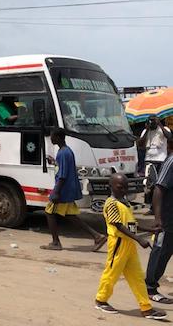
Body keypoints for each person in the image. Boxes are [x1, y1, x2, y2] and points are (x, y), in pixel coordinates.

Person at [94, 174, 167, 320]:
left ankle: (146, 307)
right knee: (112, 273)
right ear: (111, 186)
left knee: (137, 277)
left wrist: (148, 230)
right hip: (119, 244)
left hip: (129, 244)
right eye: (120, 187)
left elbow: (130, 224)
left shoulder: (124, 202)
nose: (123, 190)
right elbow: (118, 225)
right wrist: (139, 239)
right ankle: (101, 300)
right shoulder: (111, 204)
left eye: (126, 187)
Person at [40, 128, 106, 251]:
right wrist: (54, 162)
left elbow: (63, 175)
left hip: (63, 191)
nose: (51, 138)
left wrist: (56, 192)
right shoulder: (66, 151)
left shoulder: (63, 153)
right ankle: (97, 236)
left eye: (53, 136)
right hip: (68, 189)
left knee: (49, 213)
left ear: (59, 138)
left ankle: (55, 242)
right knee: (71, 216)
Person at [145, 137, 173, 303]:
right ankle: (150, 287)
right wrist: (157, 218)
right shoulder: (171, 162)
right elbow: (159, 188)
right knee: (161, 250)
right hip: (167, 218)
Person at [139, 116, 172, 207]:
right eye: (150, 121)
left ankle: (161, 205)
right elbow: (140, 144)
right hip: (149, 160)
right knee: (148, 184)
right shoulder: (145, 131)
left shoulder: (164, 129)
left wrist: (160, 125)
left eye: (153, 120)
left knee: (160, 184)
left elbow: (170, 137)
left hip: (161, 160)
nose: (152, 123)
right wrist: (146, 130)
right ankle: (151, 206)